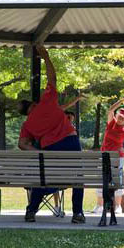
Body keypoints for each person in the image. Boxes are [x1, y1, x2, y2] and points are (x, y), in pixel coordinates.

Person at [18, 45, 85, 224]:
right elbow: (52, 78)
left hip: (49, 149)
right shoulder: (46, 101)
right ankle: (77, 213)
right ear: (33, 104)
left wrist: (38, 151)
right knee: (78, 177)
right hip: (71, 144)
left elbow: (23, 144)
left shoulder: (27, 124)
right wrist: (46, 57)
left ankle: (32, 210)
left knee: (45, 178)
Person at [92, 98, 124, 215]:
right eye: (120, 116)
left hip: (118, 158)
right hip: (104, 156)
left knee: (118, 181)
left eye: (123, 117)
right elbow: (111, 109)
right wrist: (122, 101)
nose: (121, 118)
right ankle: (99, 205)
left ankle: (118, 206)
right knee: (101, 180)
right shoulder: (111, 123)